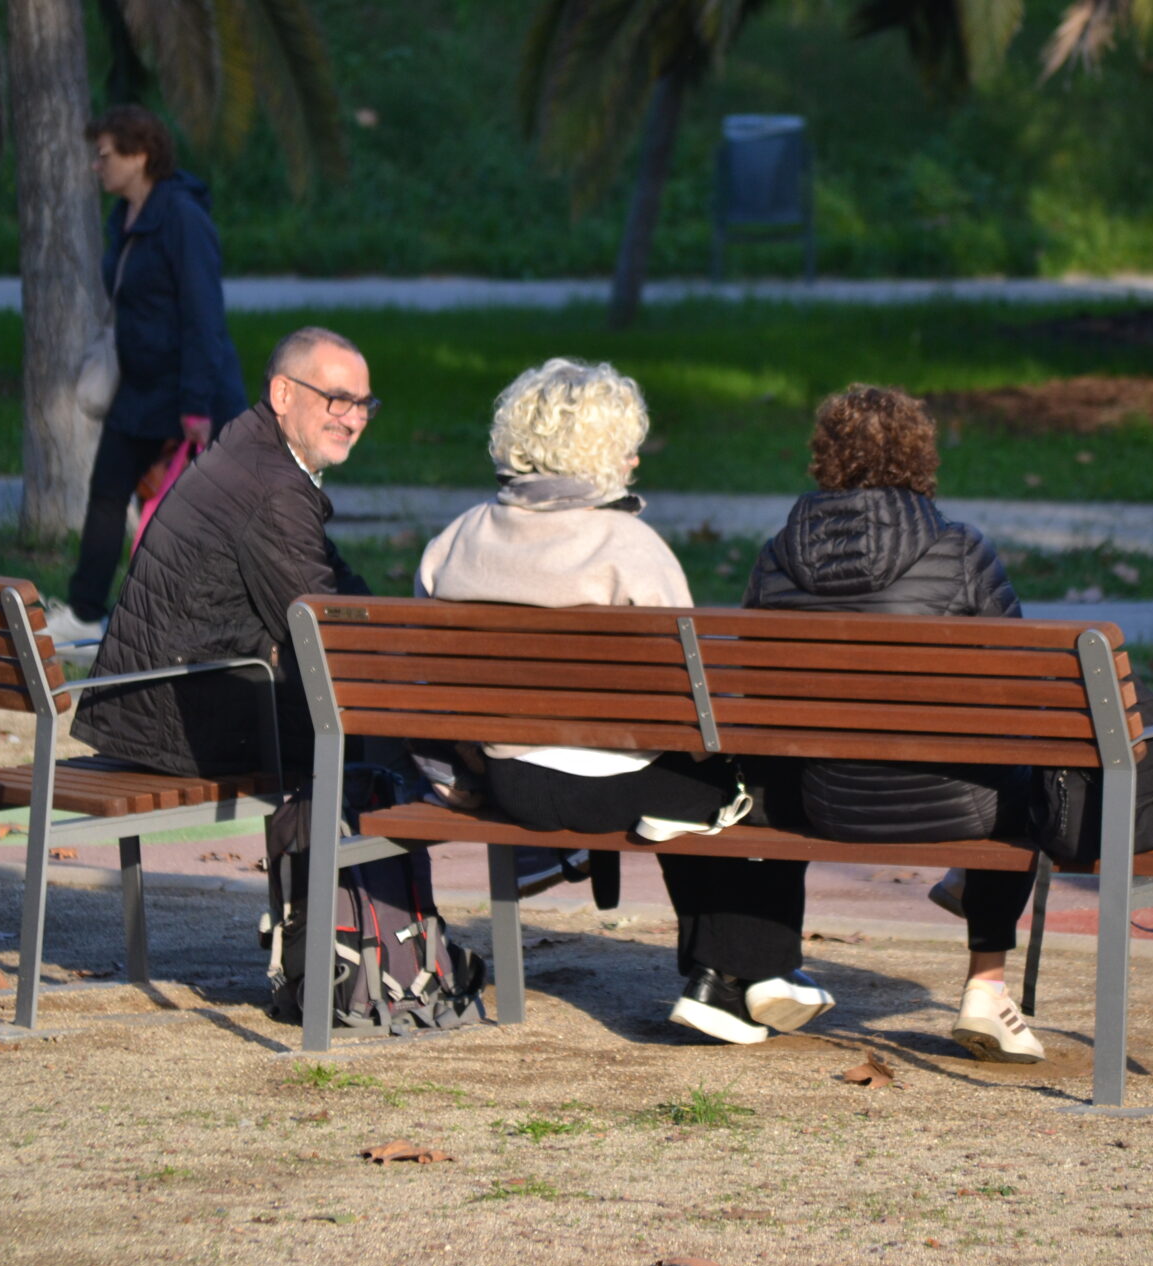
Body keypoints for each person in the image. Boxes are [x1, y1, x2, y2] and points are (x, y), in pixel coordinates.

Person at [416, 357, 834, 1046]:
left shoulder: (455, 540)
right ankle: (744, 974)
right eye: (626, 444)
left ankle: (739, 981)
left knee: (696, 800)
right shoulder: (630, 547)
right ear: (601, 453)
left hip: (514, 779)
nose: (638, 456)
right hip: (618, 781)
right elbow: (691, 701)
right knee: (757, 782)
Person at [745, 384, 1045, 1063]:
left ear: (825, 459)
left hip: (823, 799)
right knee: (1027, 782)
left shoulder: (775, 556)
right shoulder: (961, 550)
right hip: (958, 803)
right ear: (920, 456)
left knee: (760, 772)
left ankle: (770, 965)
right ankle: (986, 989)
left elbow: (757, 693)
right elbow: (1020, 682)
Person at [71, 326, 374, 778]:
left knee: (367, 716)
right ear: (283, 393)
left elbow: (327, 575)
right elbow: (323, 629)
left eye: (364, 405)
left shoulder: (249, 446)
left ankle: (321, 845)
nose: (351, 419)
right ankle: (326, 847)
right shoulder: (272, 487)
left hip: (153, 707)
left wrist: (391, 625)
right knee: (384, 733)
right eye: (338, 399)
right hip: (177, 726)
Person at [46, 105, 249, 646]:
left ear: (140, 155)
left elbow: (205, 316)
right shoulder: (126, 217)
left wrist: (197, 406)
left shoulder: (182, 217)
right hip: (139, 390)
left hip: (187, 393)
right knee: (110, 491)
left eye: (106, 155)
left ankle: (206, 621)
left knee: (193, 514)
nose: (97, 166)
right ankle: (88, 613)